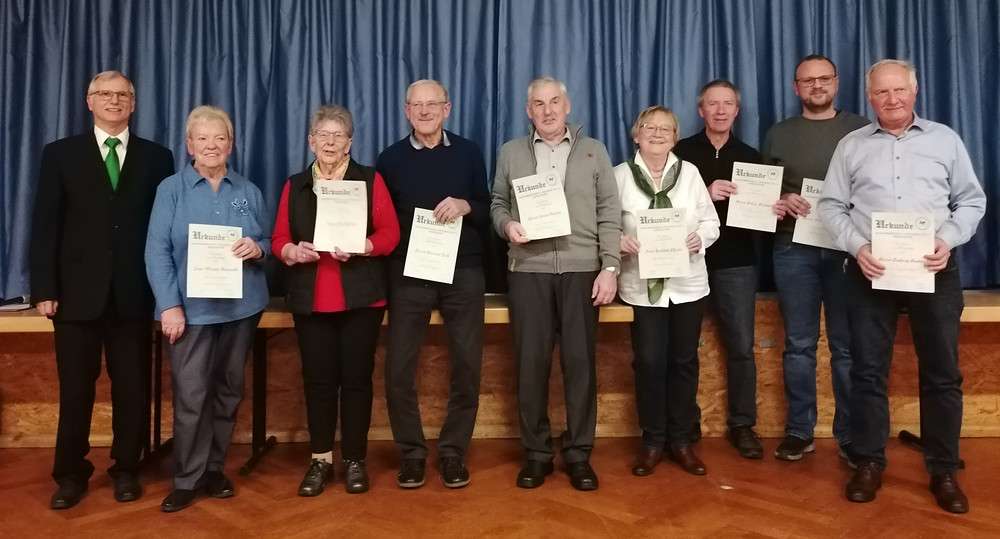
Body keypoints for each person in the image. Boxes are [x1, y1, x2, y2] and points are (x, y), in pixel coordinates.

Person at [818, 59, 986, 513]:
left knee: (942, 373)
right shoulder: (851, 145)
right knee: (868, 372)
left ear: (915, 92)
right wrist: (856, 246)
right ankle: (869, 462)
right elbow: (830, 207)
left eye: (899, 91)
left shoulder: (945, 140)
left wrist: (946, 239)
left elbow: (971, 200)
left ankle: (944, 469)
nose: (891, 100)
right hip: (870, 272)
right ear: (869, 97)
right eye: (881, 93)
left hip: (934, 269)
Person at [30, 70, 175, 510]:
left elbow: (164, 231)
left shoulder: (158, 157)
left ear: (133, 103)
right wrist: (44, 287)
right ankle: (70, 474)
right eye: (105, 94)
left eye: (123, 95)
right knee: (76, 390)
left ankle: (126, 468)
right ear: (88, 101)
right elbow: (45, 225)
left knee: (132, 388)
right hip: (74, 297)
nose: (114, 101)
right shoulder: (60, 155)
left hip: (133, 294)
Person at [491, 76, 621, 491]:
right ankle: (537, 453)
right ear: (528, 111)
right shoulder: (511, 152)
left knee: (580, 364)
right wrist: (507, 224)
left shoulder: (593, 151)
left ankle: (579, 454)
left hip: (583, 271)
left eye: (554, 102)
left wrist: (610, 266)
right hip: (529, 270)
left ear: (567, 106)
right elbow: (496, 202)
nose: (547, 110)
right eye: (538, 104)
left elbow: (609, 212)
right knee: (531, 365)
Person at [145, 105, 271, 512]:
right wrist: (169, 306)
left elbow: (268, 241)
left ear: (231, 144)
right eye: (203, 138)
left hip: (241, 310)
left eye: (220, 138)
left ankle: (215, 469)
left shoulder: (248, 191)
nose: (212, 145)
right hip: (191, 314)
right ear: (189, 145)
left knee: (228, 393)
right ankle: (187, 477)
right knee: (192, 395)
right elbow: (156, 252)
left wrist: (258, 249)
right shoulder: (171, 189)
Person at [273, 105, 399, 495]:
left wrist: (366, 245)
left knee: (357, 381)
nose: (329, 142)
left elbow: (391, 233)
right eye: (322, 135)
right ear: (311, 140)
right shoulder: (295, 185)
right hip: (312, 299)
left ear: (350, 142)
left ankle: (355, 460)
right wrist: (290, 252)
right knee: (319, 383)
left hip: (361, 298)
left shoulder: (370, 180)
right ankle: (320, 459)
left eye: (337, 135)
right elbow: (278, 240)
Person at [377, 80, 489, 489]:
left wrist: (466, 206)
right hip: (409, 272)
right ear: (407, 111)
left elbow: (487, 207)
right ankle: (411, 453)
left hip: (462, 270)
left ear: (448, 108)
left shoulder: (469, 152)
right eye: (416, 105)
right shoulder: (389, 159)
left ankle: (454, 452)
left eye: (433, 104)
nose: (425, 112)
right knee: (399, 368)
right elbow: (382, 223)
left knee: (467, 363)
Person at [762, 54, 869, 462]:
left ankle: (849, 435)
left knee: (846, 347)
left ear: (837, 83)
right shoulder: (778, 134)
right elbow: (763, 195)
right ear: (796, 87)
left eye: (824, 79)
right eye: (808, 81)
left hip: (850, 251)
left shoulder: (861, 128)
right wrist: (781, 200)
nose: (816, 86)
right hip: (794, 249)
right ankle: (799, 430)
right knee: (799, 345)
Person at [615, 106, 719, 477]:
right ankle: (652, 440)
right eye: (649, 127)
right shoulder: (619, 177)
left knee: (683, 362)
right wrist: (618, 240)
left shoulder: (689, 174)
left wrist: (699, 237)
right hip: (641, 287)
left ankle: (681, 440)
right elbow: (604, 225)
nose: (657, 134)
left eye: (666, 129)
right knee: (649, 363)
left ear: (675, 137)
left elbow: (711, 222)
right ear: (636, 134)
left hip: (687, 284)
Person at [673, 80, 764, 459]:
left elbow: (760, 217)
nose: (721, 110)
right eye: (713, 104)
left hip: (736, 263)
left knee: (741, 347)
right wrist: (704, 195)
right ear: (701, 110)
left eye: (728, 104)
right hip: (686, 261)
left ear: (737, 111)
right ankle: (685, 422)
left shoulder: (752, 157)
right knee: (683, 347)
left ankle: (742, 425)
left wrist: (769, 208)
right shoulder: (680, 154)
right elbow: (662, 209)